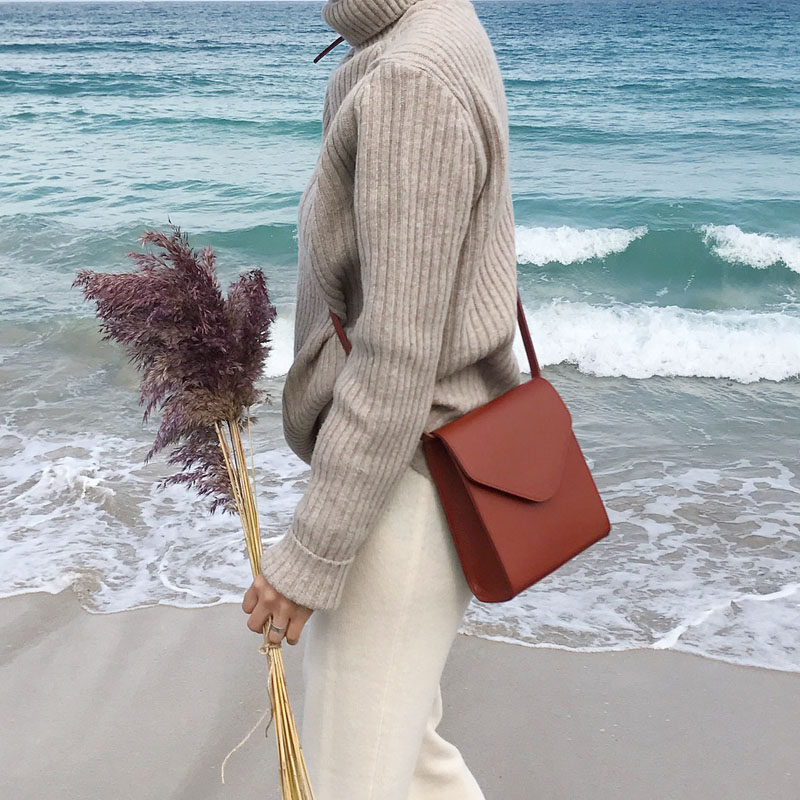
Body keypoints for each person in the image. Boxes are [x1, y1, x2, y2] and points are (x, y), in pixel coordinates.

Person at [242, 0, 522, 796]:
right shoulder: (433, 31)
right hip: (421, 469)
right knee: (416, 767)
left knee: (352, 783)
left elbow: (397, 358)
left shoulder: (409, 76)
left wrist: (313, 553)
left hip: (408, 481)